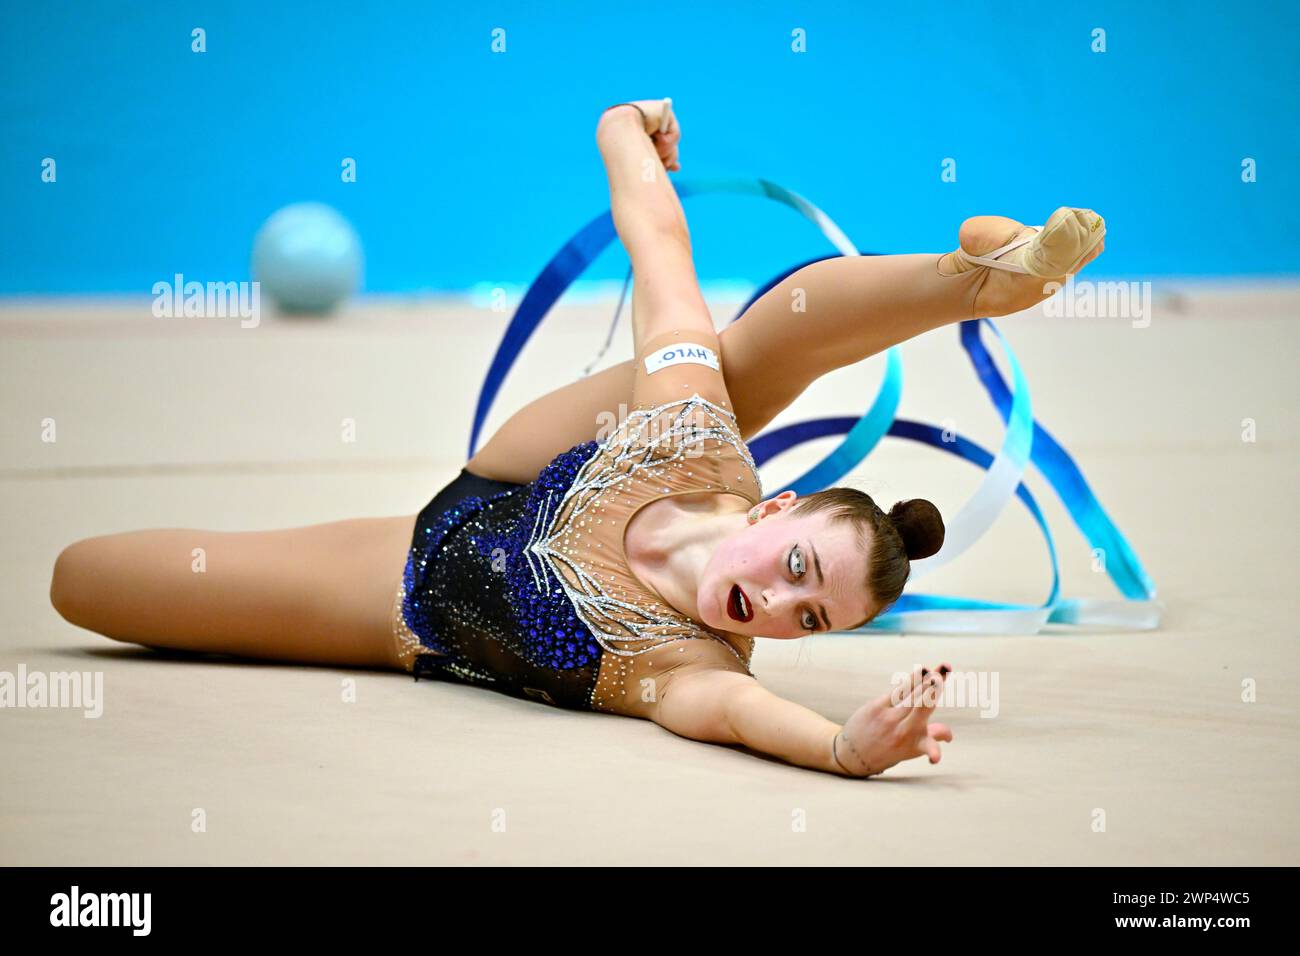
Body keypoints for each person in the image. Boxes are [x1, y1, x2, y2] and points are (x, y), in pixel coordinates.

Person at [49, 98, 1106, 778]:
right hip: (530, 471)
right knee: (717, 355)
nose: (777, 608)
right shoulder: (693, 442)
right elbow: (657, 246)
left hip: (408, 594)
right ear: (774, 507)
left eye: (809, 619)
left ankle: (978, 281)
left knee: (84, 581)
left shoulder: (681, 664)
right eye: (795, 569)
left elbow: (745, 715)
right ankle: (972, 279)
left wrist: (841, 746)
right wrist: (618, 126)